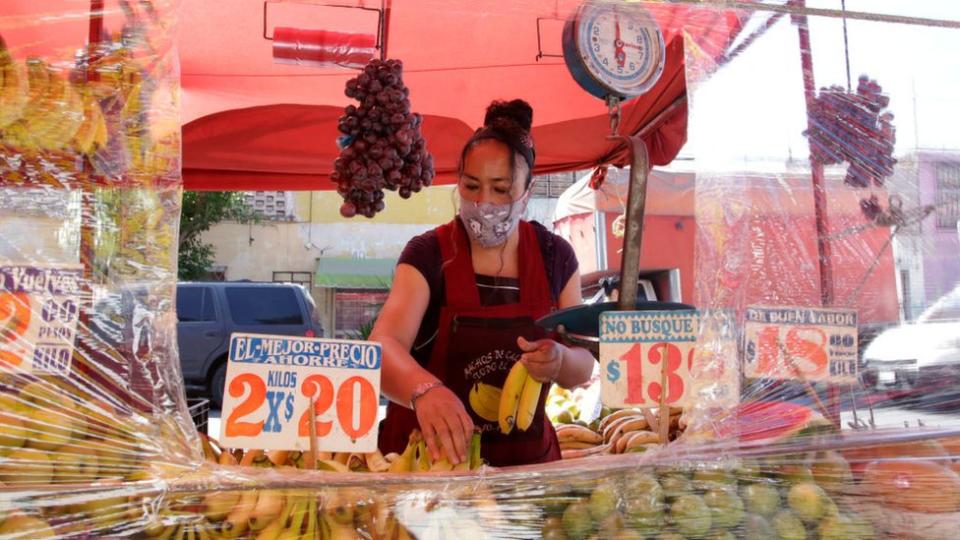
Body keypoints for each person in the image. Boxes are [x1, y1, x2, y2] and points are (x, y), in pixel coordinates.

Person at [373, 99, 595, 467]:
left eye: (501, 189)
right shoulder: (429, 255)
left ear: (528, 189)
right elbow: (383, 346)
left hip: (522, 470)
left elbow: (583, 365)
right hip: (428, 469)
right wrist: (423, 390)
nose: (484, 202)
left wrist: (559, 361)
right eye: (471, 186)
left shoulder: (557, 257)